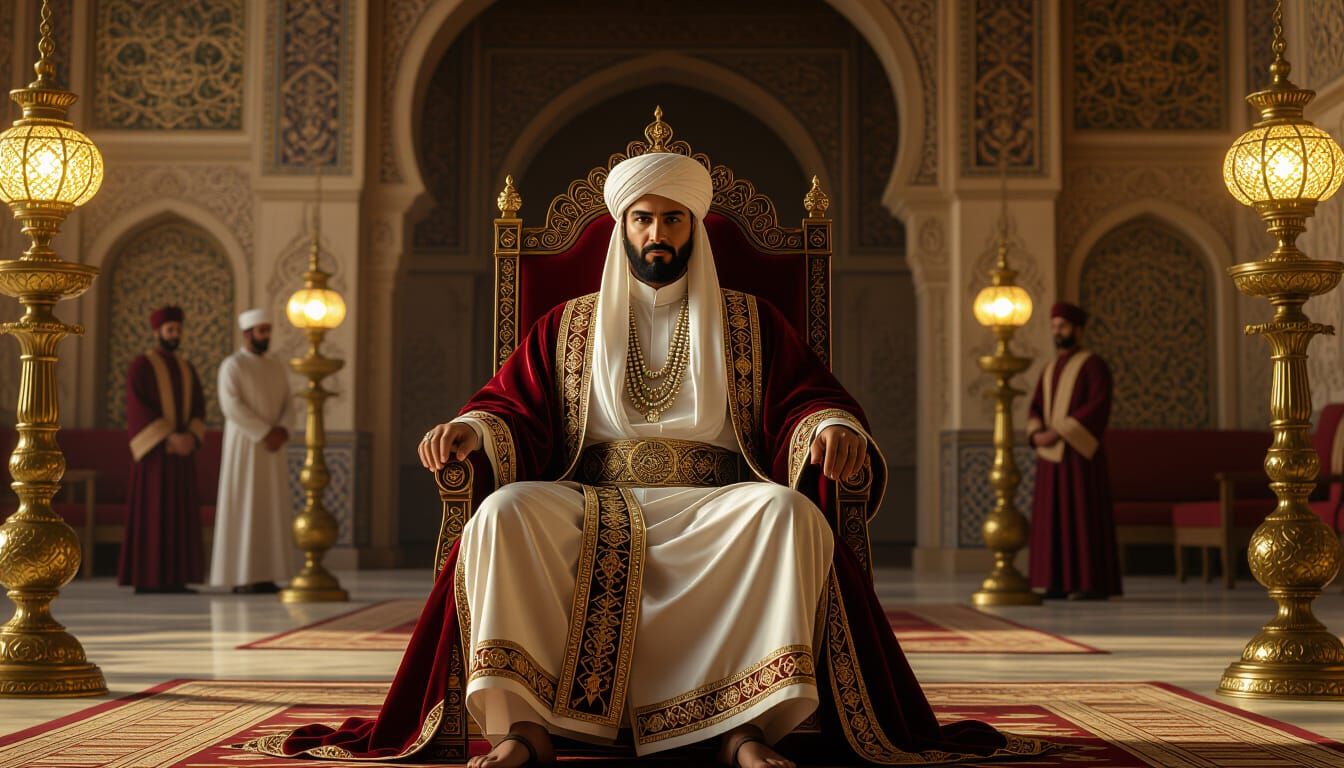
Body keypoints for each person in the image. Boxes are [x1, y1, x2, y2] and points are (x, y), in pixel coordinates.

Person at [249, 152, 1050, 766]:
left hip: (717, 504)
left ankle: (744, 730)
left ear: (692, 230)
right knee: (500, 514)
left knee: (786, 514)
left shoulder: (750, 320)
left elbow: (806, 398)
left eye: (671, 221)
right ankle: (526, 729)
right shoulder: (568, 323)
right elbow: (512, 407)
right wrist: (471, 430)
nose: (656, 235)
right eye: (642, 220)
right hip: (589, 498)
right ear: (620, 228)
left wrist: (830, 428)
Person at [1026, 302, 1122, 600]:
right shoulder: (1049, 368)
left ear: (1078, 330)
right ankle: (1054, 582)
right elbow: (1036, 407)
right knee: (1052, 519)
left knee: (1080, 517)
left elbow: (1097, 405)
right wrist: (1036, 434)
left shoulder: (1093, 365)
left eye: (1063, 327)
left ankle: (1086, 583)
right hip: (1049, 458)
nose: (1058, 332)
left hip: (1079, 458)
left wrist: (1058, 432)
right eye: (1054, 327)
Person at [119, 305, 206, 595]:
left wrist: (191, 437)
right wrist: (168, 437)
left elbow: (199, 408)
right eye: (170, 330)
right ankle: (149, 579)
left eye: (178, 330)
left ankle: (177, 578)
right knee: (153, 513)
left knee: (179, 514)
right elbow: (137, 408)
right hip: (155, 457)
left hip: (182, 456)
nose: (175, 334)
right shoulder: (141, 366)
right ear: (157, 332)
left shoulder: (186, 368)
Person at [210, 308, 295, 595]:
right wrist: (264, 432)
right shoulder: (232, 366)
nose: (266, 336)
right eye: (262, 331)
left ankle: (268, 574)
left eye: (268, 331)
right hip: (245, 447)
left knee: (269, 507)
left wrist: (282, 430)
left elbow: (289, 405)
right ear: (247, 334)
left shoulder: (276, 366)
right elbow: (231, 405)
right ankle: (242, 576)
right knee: (244, 505)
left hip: (273, 449)